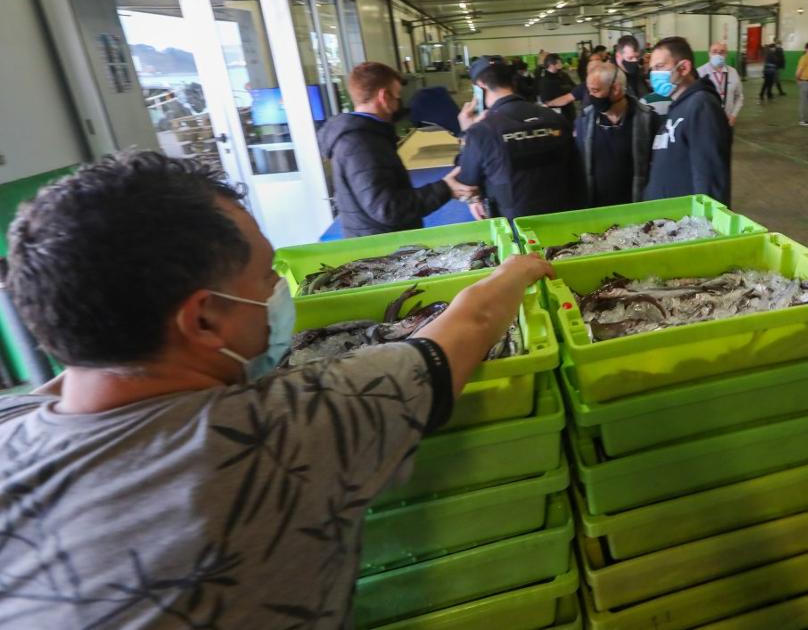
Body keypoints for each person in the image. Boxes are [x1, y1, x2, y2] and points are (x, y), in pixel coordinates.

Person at [0, 149, 556, 628]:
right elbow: (466, 331)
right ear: (203, 321)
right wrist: (516, 270)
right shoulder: (276, 435)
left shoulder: (13, 427)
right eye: (269, 278)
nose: (277, 293)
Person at [317, 61, 474, 237]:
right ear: (384, 97)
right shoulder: (361, 145)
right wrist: (444, 188)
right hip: (380, 250)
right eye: (397, 96)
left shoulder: (364, 135)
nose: (399, 104)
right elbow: (387, 208)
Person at [458, 60, 585, 220]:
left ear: (480, 87)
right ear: (513, 82)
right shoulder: (554, 118)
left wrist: (466, 134)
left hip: (514, 224)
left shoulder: (482, 131)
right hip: (563, 216)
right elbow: (576, 170)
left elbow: (466, 181)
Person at [643, 36, 731, 204]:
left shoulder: (701, 106)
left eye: (660, 67)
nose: (654, 74)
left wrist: (707, 222)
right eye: (652, 69)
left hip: (688, 222)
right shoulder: (679, 105)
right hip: (669, 217)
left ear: (683, 68)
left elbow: (709, 176)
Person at [574, 61, 654, 206]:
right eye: (589, 90)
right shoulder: (584, 121)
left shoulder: (647, 120)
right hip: (596, 211)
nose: (590, 96)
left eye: (596, 90)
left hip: (636, 208)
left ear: (616, 89)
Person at [697, 41, 745, 128]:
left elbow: (739, 96)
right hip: (706, 122)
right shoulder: (700, 73)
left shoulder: (733, 72)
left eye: (722, 52)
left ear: (726, 54)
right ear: (709, 54)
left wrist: (734, 115)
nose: (718, 55)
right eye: (714, 51)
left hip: (727, 121)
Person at [537, 53, 578, 126]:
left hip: (569, 110)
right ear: (552, 65)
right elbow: (545, 100)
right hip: (555, 114)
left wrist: (565, 89)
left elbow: (574, 88)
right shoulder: (545, 81)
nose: (561, 63)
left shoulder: (563, 75)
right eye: (559, 62)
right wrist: (564, 90)